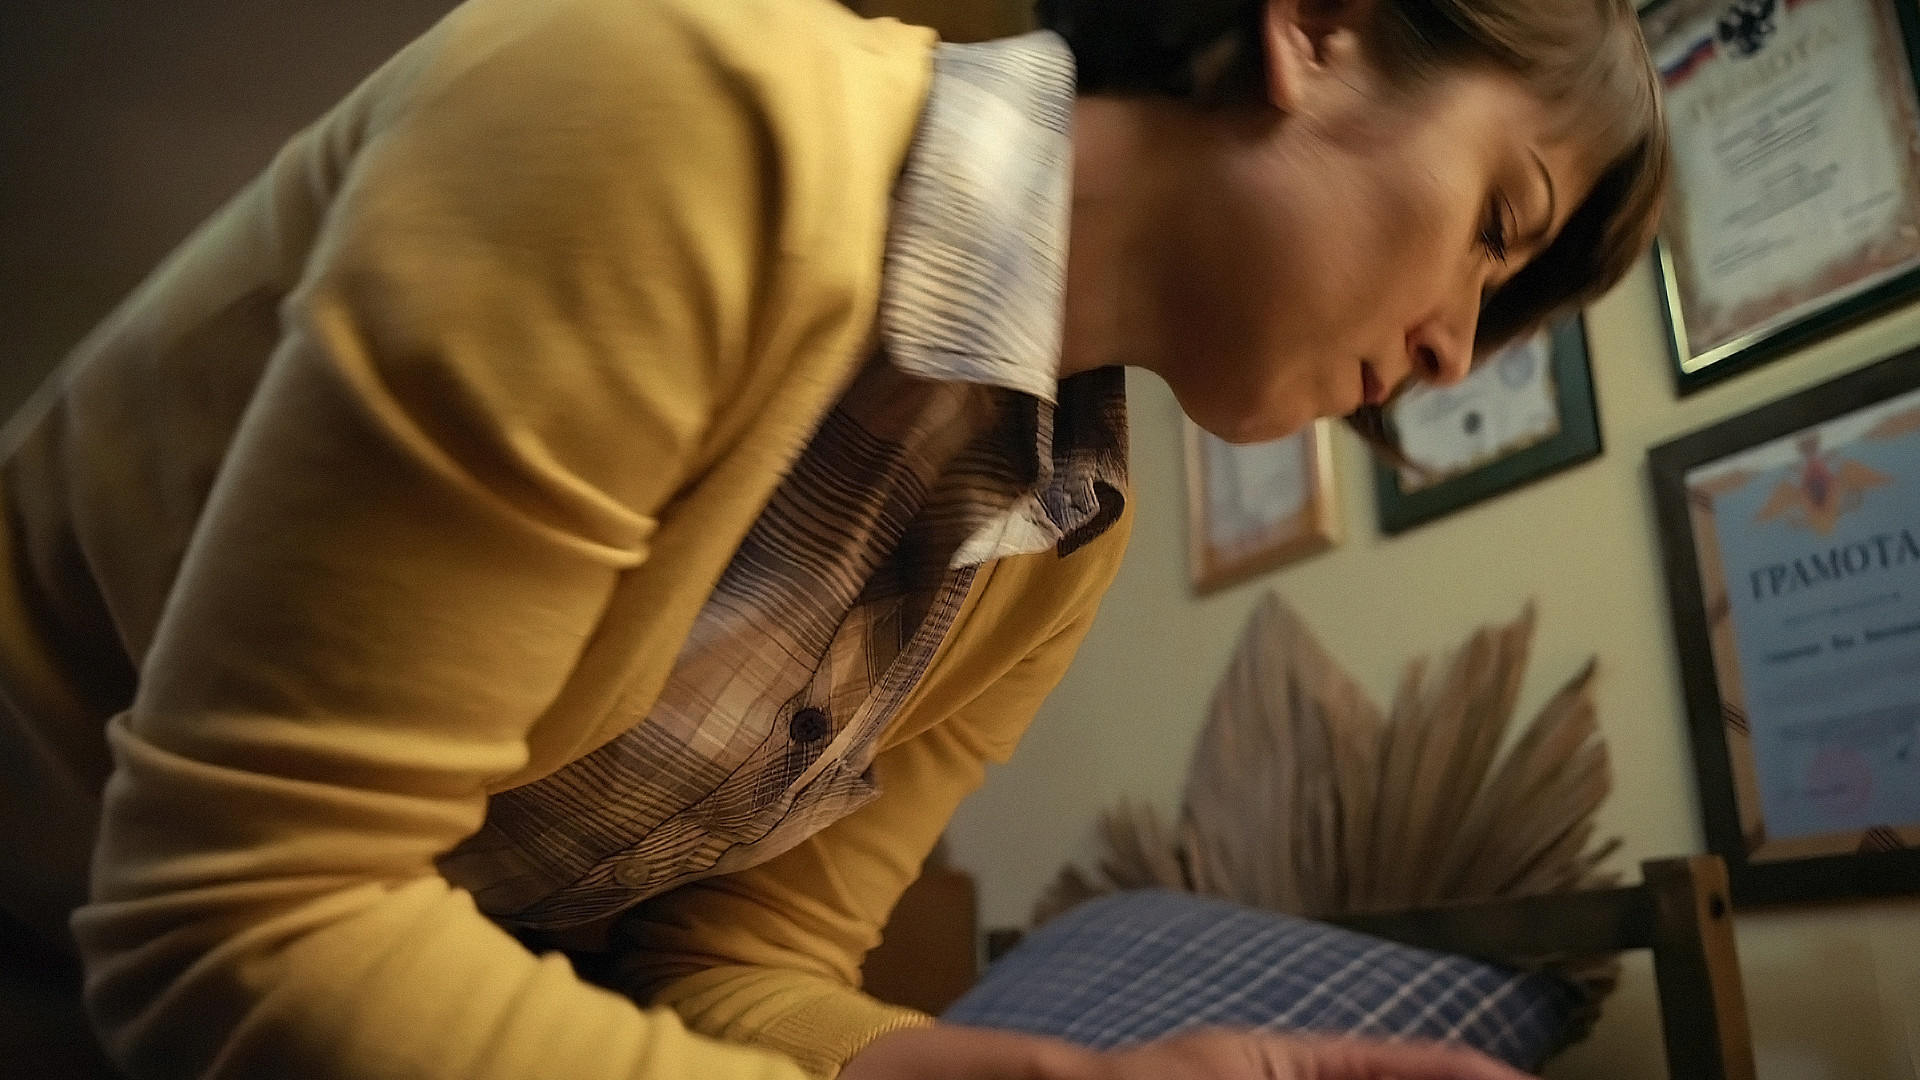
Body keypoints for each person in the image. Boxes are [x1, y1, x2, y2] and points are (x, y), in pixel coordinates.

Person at [0, 0, 1665, 1076]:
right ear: (1319, 27)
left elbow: (738, 960)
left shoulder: (1061, 532)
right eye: (1497, 223)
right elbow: (243, 920)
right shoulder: (668, 115)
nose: (1457, 349)